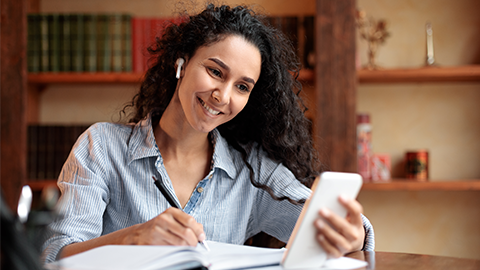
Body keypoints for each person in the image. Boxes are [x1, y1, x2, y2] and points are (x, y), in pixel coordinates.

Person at [42, 3, 374, 263]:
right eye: (215, 71)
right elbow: (53, 256)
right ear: (181, 64)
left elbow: (324, 227)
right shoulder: (102, 146)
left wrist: (350, 234)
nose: (223, 96)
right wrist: (133, 238)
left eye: (242, 86)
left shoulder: (252, 170)